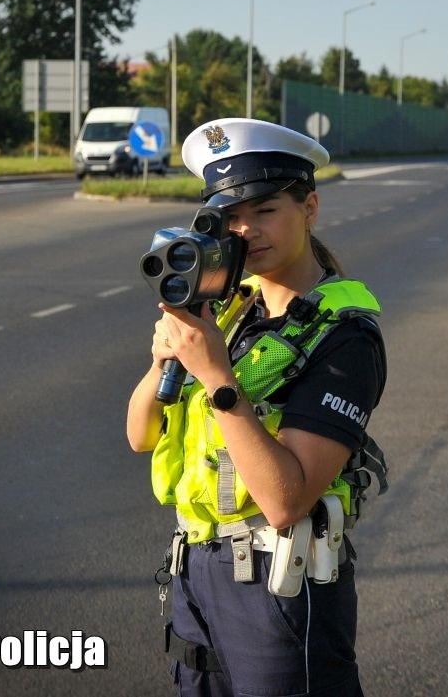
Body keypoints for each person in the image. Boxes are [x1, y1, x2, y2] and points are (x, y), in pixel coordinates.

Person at [127, 118, 388, 697]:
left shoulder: (345, 337)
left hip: (279, 582)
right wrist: (161, 362)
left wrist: (217, 376)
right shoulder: (227, 310)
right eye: (231, 217)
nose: (247, 230)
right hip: (198, 569)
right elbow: (142, 436)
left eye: (266, 209)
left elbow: (285, 499)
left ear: (310, 206)